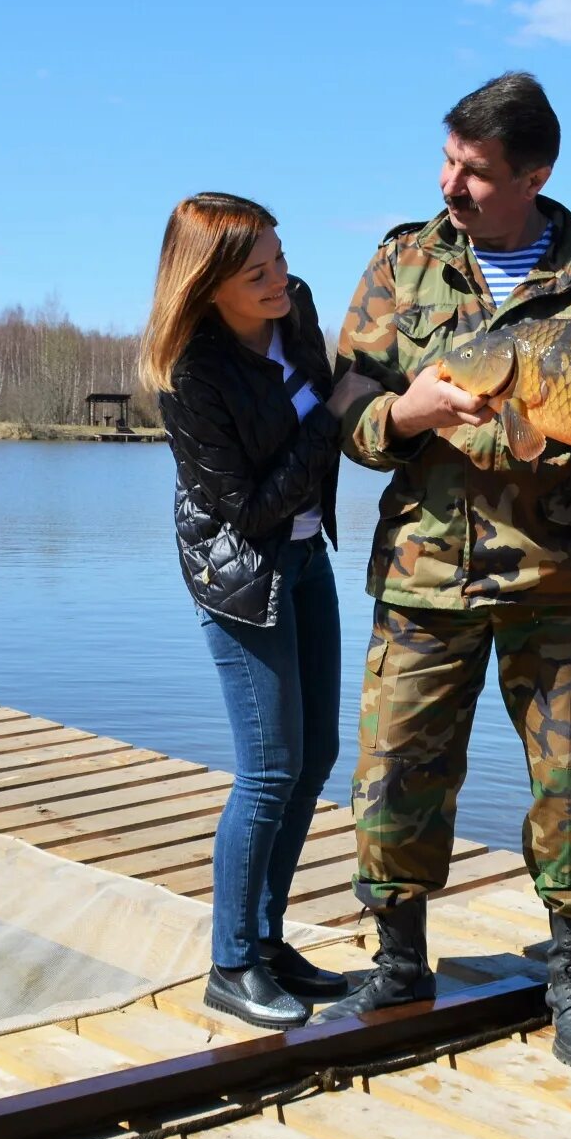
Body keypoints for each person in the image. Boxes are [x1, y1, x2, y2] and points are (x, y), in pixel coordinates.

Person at [313, 72, 571, 1068]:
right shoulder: (403, 260)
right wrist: (406, 415)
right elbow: (348, 402)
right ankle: (399, 965)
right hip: (423, 572)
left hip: (562, 581)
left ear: (535, 173)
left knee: (570, 782)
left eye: (477, 171)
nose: (452, 183)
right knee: (394, 772)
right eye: (446, 160)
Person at [142, 192, 379, 1029]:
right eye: (259, 271)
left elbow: (324, 397)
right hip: (240, 573)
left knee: (316, 756)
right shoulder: (191, 376)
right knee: (270, 767)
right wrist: (335, 413)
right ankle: (230, 962)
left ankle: (269, 944)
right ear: (209, 284)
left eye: (279, 257)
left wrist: (342, 404)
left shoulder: (297, 305)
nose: (281, 278)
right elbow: (248, 508)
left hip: (308, 554)